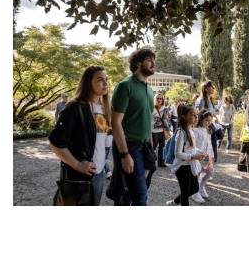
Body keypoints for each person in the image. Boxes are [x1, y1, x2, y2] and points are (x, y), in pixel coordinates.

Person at [49, 66, 111, 205]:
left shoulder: (104, 109)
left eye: (106, 79)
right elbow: (55, 142)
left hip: (99, 173)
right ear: (88, 82)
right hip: (80, 177)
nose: (105, 83)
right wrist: (77, 165)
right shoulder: (75, 107)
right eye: (100, 79)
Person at [109, 47, 156, 206]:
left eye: (153, 60)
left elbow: (147, 119)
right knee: (139, 196)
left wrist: (150, 146)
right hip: (128, 147)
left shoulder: (149, 89)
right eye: (148, 60)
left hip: (144, 147)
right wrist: (124, 154)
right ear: (138, 63)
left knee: (128, 194)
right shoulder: (125, 86)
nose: (153, 63)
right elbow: (115, 122)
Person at [166, 104, 207, 206]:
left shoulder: (190, 130)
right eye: (192, 115)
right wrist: (193, 157)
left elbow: (191, 148)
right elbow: (178, 154)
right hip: (182, 167)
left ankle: (174, 202)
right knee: (185, 193)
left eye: (196, 114)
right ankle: (176, 203)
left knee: (194, 188)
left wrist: (199, 152)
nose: (196, 117)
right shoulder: (181, 133)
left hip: (190, 165)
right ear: (184, 117)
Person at [192, 109, 216, 201]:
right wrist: (197, 153)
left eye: (210, 121)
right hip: (198, 156)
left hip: (207, 156)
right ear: (201, 119)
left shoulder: (208, 130)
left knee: (209, 172)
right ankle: (195, 192)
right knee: (197, 174)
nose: (208, 122)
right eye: (206, 120)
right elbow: (192, 145)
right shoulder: (195, 130)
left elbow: (209, 144)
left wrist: (211, 155)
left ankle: (201, 187)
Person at [195, 81, 220, 163]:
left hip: (210, 125)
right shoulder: (201, 100)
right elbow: (199, 114)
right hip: (204, 127)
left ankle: (210, 160)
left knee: (212, 143)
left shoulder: (210, 99)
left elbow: (212, 112)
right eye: (212, 87)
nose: (213, 88)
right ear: (206, 88)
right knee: (206, 144)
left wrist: (216, 118)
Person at [151, 93, 170, 168]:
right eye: (157, 98)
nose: (159, 100)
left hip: (162, 130)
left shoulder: (165, 108)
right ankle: (151, 162)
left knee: (162, 146)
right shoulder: (151, 108)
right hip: (153, 131)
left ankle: (161, 162)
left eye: (161, 98)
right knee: (153, 147)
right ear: (155, 99)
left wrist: (167, 129)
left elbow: (166, 119)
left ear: (162, 100)